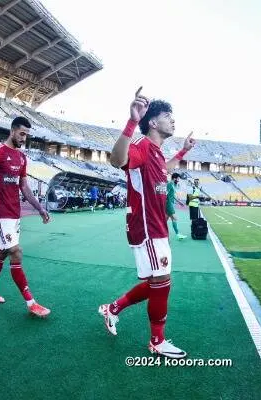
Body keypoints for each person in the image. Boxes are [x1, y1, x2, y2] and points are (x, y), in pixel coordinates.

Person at [99, 87, 195, 358]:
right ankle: (156, 341)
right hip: (146, 227)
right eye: (168, 116)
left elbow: (165, 169)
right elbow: (117, 160)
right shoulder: (141, 145)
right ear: (153, 122)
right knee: (162, 282)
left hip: (157, 226)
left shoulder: (155, 152)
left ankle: (113, 309)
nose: (173, 120)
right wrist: (131, 121)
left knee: (158, 282)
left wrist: (184, 152)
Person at [0, 116, 51, 317]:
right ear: (13, 130)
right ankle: (31, 303)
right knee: (16, 251)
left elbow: (24, 187)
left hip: (15, 214)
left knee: (1, 252)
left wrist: (40, 209)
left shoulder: (22, 158)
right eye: (22, 133)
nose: (24, 138)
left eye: (27, 135)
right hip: (0, 213)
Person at [166, 173, 187, 240]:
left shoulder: (173, 185)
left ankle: (160, 233)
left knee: (164, 220)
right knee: (174, 218)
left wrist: (179, 202)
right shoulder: (169, 184)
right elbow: (165, 194)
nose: (178, 180)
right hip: (168, 204)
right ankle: (178, 234)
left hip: (170, 203)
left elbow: (173, 195)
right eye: (178, 179)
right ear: (174, 178)